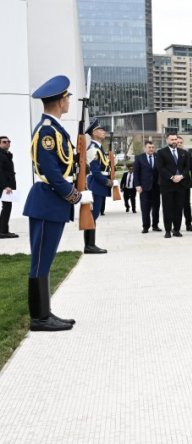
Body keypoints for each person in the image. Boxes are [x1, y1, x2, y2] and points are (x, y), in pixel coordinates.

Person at [23, 75, 92, 331]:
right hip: (46, 202)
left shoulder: (54, 129)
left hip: (52, 203)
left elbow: (66, 164)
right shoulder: (47, 132)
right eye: (67, 98)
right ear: (60, 101)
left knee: (46, 259)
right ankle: (39, 318)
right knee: (40, 261)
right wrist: (75, 195)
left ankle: (45, 313)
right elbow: (51, 172)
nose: (68, 102)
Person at [85, 119, 114, 254]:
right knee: (92, 215)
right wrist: (109, 182)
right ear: (93, 133)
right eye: (100, 130)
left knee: (93, 216)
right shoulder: (93, 149)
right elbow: (96, 172)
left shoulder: (98, 148)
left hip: (98, 185)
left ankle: (90, 245)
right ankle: (90, 245)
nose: (103, 132)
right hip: (96, 185)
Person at [155, 134, 191, 238]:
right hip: (167, 185)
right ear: (167, 140)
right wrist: (172, 177)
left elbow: (187, 167)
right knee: (167, 208)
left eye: (175, 139)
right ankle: (167, 230)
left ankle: (176, 230)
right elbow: (160, 168)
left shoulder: (183, 152)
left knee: (178, 208)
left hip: (180, 185)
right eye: (172, 139)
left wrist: (181, 176)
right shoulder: (161, 152)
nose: (174, 141)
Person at [133, 141, 161, 233]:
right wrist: (137, 185)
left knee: (156, 208)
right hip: (144, 188)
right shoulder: (139, 158)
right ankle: (145, 226)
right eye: (149, 147)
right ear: (145, 148)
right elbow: (136, 173)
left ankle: (155, 225)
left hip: (156, 187)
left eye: (153, 147)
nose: (151, 149)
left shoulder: (158, 157)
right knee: (145, 208)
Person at [0, 135, 18, 238]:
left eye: (8, 141)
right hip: (4, 186)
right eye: (4, 142)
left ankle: (3, 231)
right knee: (7, 207)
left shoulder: (7, 154)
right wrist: (5, 186)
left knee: (7, 207)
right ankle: (3, 232)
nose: (7, 143)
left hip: (7, 185)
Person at [177, 136, 192, 232]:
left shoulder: (187, 154)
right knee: (175, 205)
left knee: (186, 205)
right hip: (173, 184)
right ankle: (175, 225)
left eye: (181, 142)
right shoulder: (169, 154)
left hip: (185, 184)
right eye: (177, 142)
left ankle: (188, 224)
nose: (179, 143)